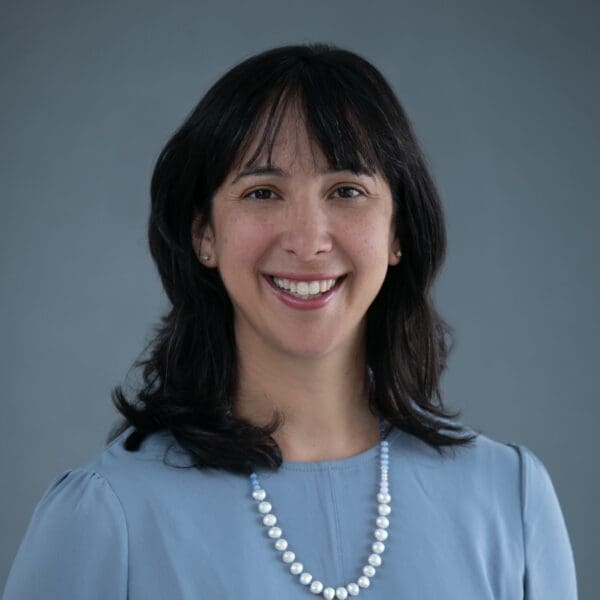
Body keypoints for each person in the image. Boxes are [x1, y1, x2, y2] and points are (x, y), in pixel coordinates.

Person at [4, 43, 577, 600]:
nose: (308, 241)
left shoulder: (510, 499)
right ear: (204, 234)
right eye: (262, 193)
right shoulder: (107, 517)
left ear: (398, 232)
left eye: (346, 191)